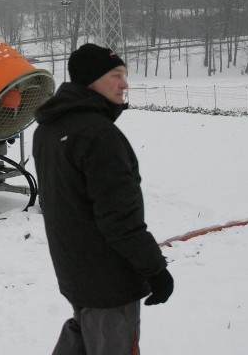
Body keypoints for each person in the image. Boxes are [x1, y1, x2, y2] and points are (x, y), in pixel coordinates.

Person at [32, 43, 173, 355]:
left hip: (76, 272)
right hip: (110, 282)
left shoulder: (48, 129)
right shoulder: (98, 134)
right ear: (90, 80)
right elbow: (120, 220)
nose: (125, 83)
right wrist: (155, 270)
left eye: (125, 75)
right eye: (116, 75)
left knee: (83, 332)